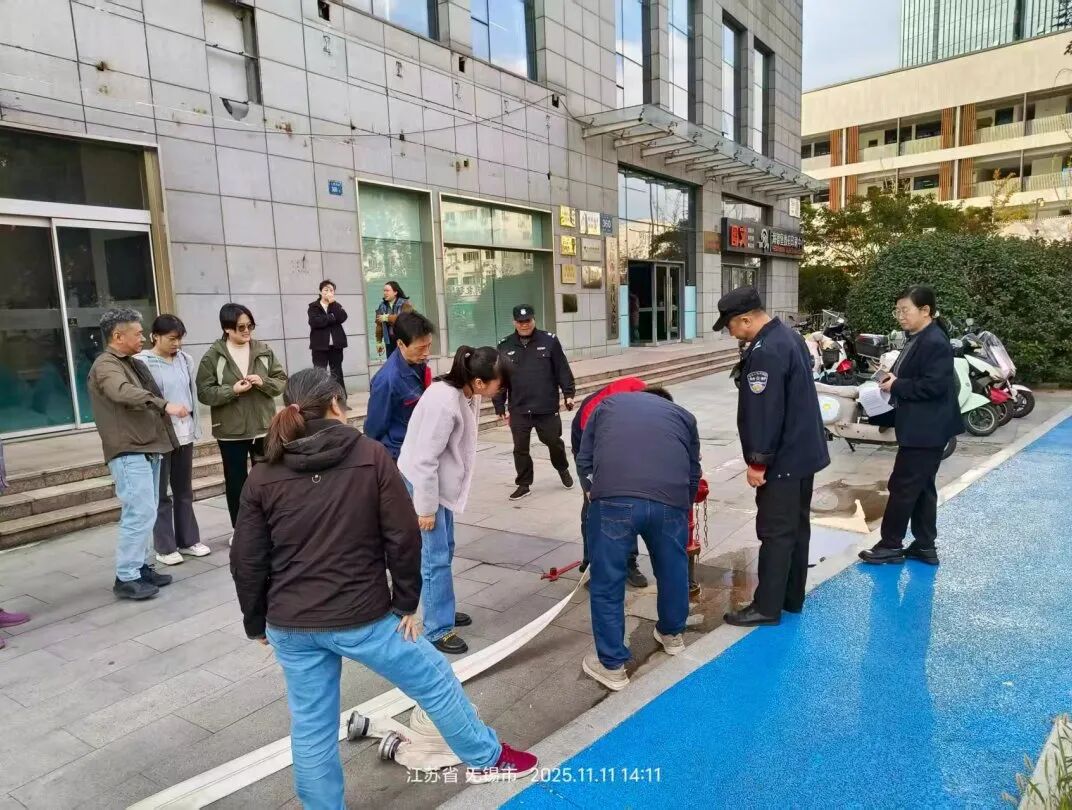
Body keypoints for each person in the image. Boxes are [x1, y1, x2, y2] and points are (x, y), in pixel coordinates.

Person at [231, 369, 537, 805]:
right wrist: (407, 603)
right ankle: (486, 758)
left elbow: (246, 559)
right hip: (363, 617)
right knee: (433, 680)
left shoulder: (263, 473)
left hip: (291, 623)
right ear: (336, 404)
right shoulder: (370, 455)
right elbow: (402, 535)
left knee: (312, 726)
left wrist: (256, 622)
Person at [715, 287, 830, 628]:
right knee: (796, 528)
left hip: (782, 459)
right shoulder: (789, 337)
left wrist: (757, 462)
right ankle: (791, 597)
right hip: (802, 454)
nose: (731, 333)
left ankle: (766, 606)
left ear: (745, 319)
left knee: (775, 532)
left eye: (730, 326)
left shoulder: (765, 351)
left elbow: (766, 412)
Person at [576, 387, 701, 691]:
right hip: (669, 502)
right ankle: (672, 635)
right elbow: (693, 471)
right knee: (673, 571)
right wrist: (680, 507)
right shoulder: (684, 417)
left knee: (608, 581)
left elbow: (584, 459)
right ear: (666, 403)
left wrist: (593, 492)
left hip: (614, 500)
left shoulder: (607, 406)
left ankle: (612, 666)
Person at [398, 346, 504, 655]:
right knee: (435, 556)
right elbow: (425, 460)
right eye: (499, 383)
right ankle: (437, 628)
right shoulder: (444, 402)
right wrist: (425, 508)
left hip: (437, 483)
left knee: (446, 547)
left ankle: (439, 606)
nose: (501, 389)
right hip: (423, 483)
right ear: (480, 382)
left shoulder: (467, 392)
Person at [860, 285, 963, 566]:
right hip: (923, 426)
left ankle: (890, 545)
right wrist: (890, 378)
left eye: (905, 310)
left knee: (903, 486)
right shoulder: (918, 337)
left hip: (926, 429)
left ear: (925, 310)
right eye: (897, 311)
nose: (900, 316)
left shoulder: (934, 341)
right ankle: (925, 545)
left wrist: (897, 385)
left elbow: (934, 386)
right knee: (922, 486)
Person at [88, 308, 184, 600]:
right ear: (118, 336)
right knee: (139, 512)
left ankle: (141, 567)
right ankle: (127, 576)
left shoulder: (129, 363)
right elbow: (121, 391)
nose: (143, 337)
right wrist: (163, 404)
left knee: (147, 511)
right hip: (128, 450)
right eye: (138, 333)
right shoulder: (106, 365)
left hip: (146, 447)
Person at [196, 303, 287, 532]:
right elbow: (204, 392)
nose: (247, 331)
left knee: (268, 479)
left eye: (250, 326)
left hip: (264, 427)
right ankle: (241, 531)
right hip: (231, 431)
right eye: (241, 327)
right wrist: (232, 390)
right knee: (236, 483)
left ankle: (271, 527)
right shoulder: (213, 356)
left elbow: (281, 381)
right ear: (227, 329)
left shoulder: (263, 350)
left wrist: (263, 382)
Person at [136, 315, 211, 565]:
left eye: (180, 339)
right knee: (160, 494)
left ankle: (188, 541)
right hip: (159, 435)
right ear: (155, 337)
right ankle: (165, 547)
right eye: (171, 339)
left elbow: (190, 393)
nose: (177, 344)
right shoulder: (142, 362)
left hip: (184, 433)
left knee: (183, 490)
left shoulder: (185, 360)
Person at [571, 376, 650, 588]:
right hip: (589, 452)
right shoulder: (595, 414)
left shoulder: (643, 399)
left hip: (623, 447)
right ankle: (593, 562)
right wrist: (591, 487)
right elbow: (586, 458)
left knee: (628, 504)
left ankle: (628, 562)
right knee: (594, 508)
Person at [493, 304, 576, 501]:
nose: (524, 325)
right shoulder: (504, 345)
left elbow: (562, 369)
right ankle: (523, 484)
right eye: (520, 322)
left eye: (528, 321)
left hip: (545, 406)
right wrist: (499, 404)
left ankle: (562, 468)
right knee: (520, 448)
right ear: (514, 322)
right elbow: (500, 378)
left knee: (553, 442)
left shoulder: (549, 341)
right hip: (519, 407)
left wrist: (568, 393)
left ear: (534, 320)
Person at [364, 311, 435, 460]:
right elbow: (373, 429)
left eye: (429, 346)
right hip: (398, 453)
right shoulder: (386, 380)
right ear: (401, 344)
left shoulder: (419, 363)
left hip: (419, 445)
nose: (427, 353)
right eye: (421, 348)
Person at [308, 279, 348, 395]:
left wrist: (333, 304)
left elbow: (342, 318)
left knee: (337, 372)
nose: (329, 292)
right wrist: (331, 318)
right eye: (326, 290)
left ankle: (340, 398)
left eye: (331, 290)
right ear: (320, 292)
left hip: (336, 346)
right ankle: (320, 399)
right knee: (319, 373)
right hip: (319, 346)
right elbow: (314, 322)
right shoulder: (313, 307)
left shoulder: (336, 305)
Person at [374, 281, 414, 359]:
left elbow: (405, 318)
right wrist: (378, 342)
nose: (385, 293)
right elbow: (379, 325)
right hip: (389, 342)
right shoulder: (382, 306)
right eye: (384, 291)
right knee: (391, 364)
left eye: (387, 290)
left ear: (395, 292)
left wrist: (388, 318)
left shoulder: (405, 303)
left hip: (404, 341)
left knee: (404, 363)